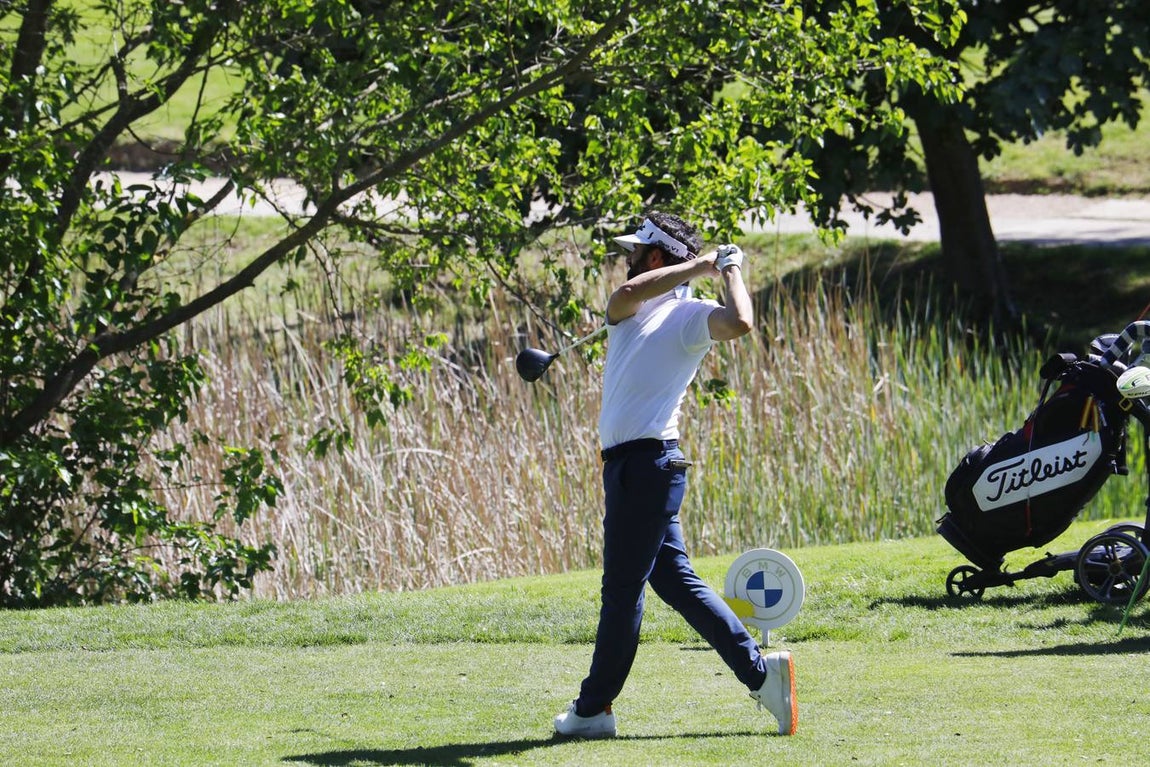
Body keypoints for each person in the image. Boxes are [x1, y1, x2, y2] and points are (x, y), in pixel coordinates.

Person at [553, 210, 797, 739]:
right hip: (628, 468)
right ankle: (763, 675)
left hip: (650, 464)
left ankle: (593, 709)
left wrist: (727, 269)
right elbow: (626, 293)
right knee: (676, 583)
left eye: (634, 252)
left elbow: (740, 322)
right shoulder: (630, 308)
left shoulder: (689, 320)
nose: (626, 260)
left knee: (622, 591)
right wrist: (700, 264)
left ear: (656, 255)